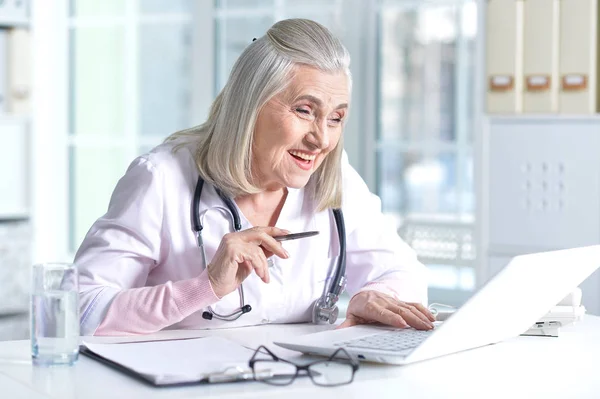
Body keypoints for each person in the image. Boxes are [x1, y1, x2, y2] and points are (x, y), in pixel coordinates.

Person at [75, 18, 435, 336]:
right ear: (250, 105)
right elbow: (82, 308)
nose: (321, 139)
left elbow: (405, 273)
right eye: (304, 110)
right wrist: (204, 287)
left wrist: (376, 296)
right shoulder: (162, 178)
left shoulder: (334, 178)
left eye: (336, 118)